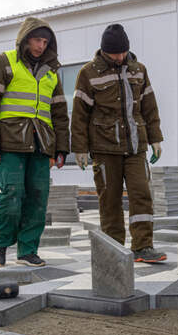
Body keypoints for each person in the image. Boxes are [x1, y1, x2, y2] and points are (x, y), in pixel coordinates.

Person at [0, 17, 70, 267]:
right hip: (9, 144)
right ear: (25, 38)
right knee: (11, 195)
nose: (41, 45)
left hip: (42, 145)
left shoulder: (51, 71)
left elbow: (60, 112)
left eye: (45, 41)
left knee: (38, 198)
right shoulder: (3, 62)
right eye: (37, 39)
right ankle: (0, 247)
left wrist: (62, 147)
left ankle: (28, 250)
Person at [71, 24, 166, 262]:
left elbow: (149, 107)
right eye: (115, 54)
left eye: (123, 52)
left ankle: (143, 246)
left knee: (141, 194)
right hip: (104, 148)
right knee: (110, 199)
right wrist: (80, 148)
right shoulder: (88, 73)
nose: (120, 57)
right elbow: (79, 114)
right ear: (104, 51)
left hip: (136, 147)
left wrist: (155, 138)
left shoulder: (139, 70)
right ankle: (114, 249)